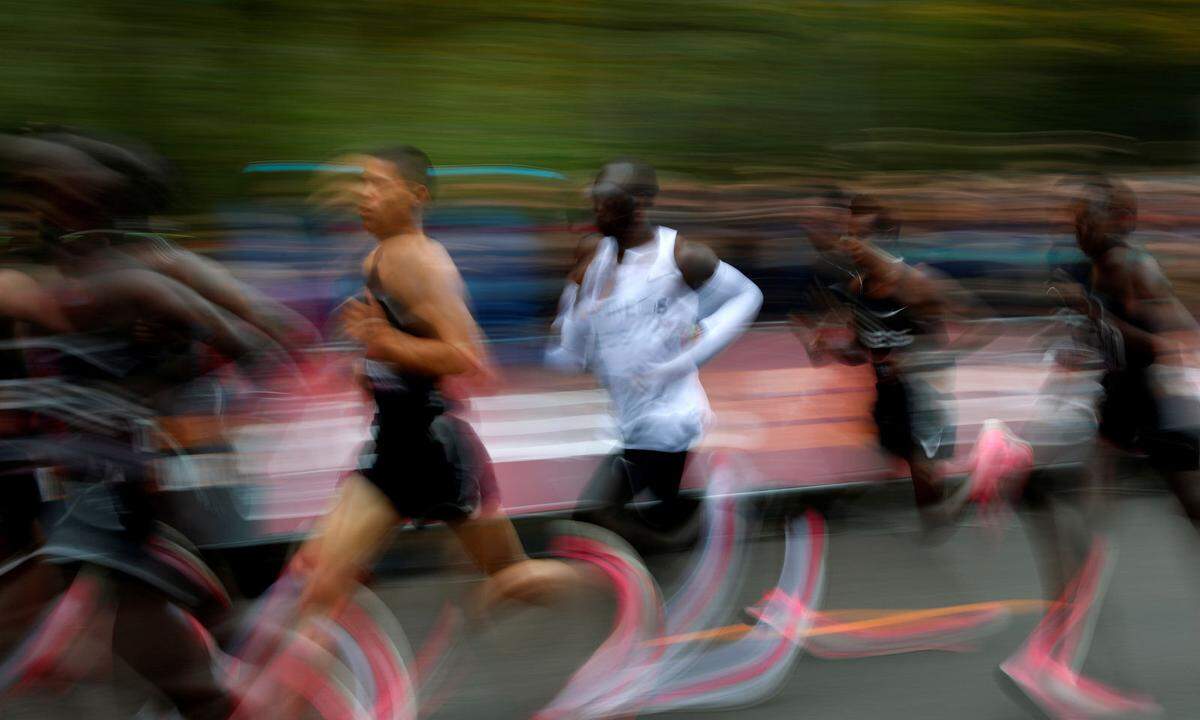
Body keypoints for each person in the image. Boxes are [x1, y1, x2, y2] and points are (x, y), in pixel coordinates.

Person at [296, 146, 580, 617]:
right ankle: (303, 686)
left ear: (415, 196)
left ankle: (608, 581)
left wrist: (386, 346)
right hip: (398, 443)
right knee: (316, 579)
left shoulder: (416, 260)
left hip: (431, 451)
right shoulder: (383, 257)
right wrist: (372, 366)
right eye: (360, 183)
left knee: (510, 576)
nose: (362, 195)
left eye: (377, 184)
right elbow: (419, 345)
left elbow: (466, 356)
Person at [547, 159, 763, 554]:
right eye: (595, 198)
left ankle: (696, 537)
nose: (597, 209)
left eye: (607, 199)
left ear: (641, 203)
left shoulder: (681, 255)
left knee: (596, 516)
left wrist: (690, 354)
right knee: (662, 511)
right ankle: (700, 535)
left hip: (669, 418)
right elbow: (568, 355)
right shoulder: (595, 261)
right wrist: (572, 297)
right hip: (629, 417)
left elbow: (747, 296)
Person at [790, 192, 1004, 532]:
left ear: (884, 241)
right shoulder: (856, 288)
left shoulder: (917, 282)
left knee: (932, 515)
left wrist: (925, 359)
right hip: (888, 394)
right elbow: (863, 349)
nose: (852, 244)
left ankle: (986, 470)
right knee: (889, 458)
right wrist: (827, 348)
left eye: (862, 237)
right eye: (850, 235)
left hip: (924, 396)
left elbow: (985, 324)